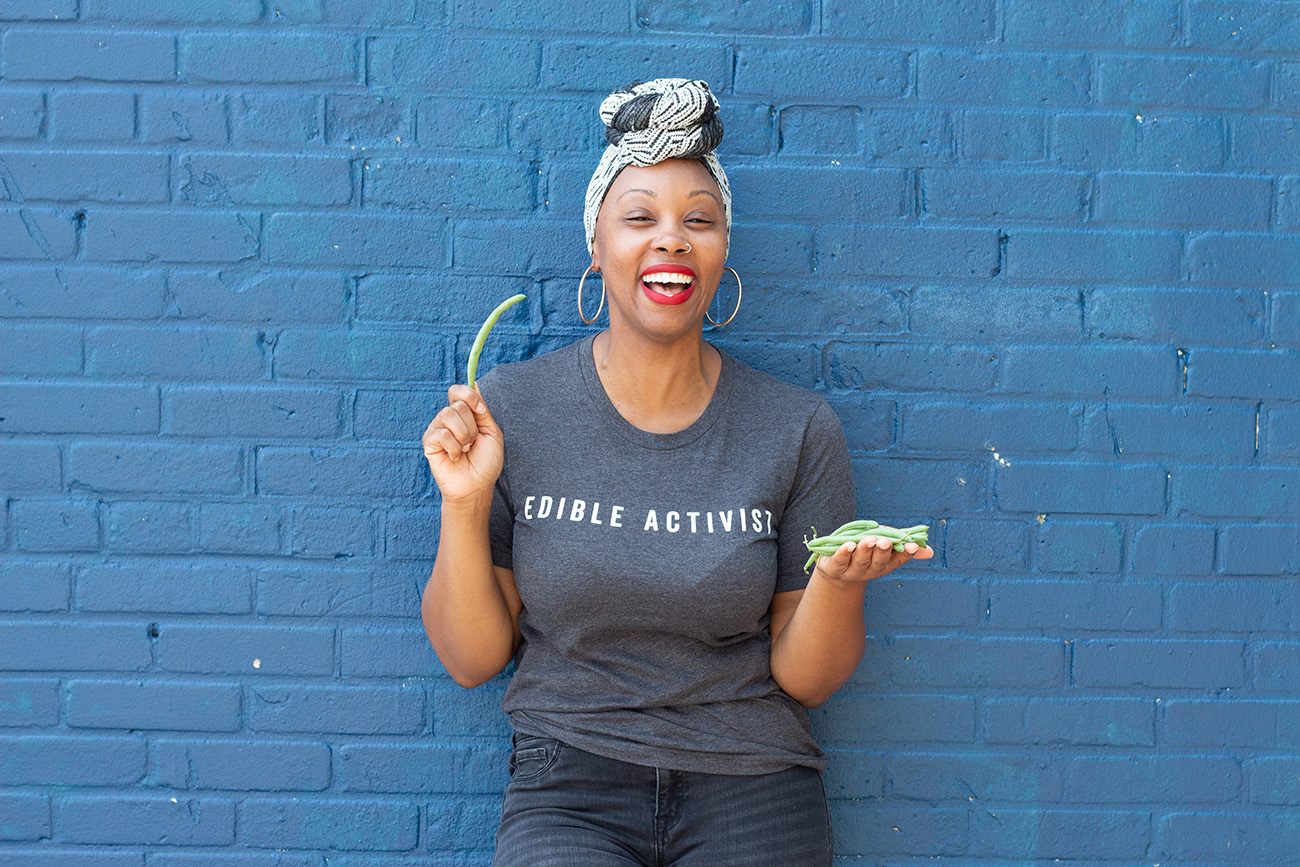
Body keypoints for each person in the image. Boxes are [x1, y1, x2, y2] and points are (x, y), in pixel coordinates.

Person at [420, 78, 931, 866]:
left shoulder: (796, 428)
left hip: (754, 784)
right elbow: (472, 657)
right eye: (639, 217)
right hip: (570, 784)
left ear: (724, 250)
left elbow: (809, 680)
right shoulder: (512, 410)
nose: (673, 238)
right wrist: (464, 500)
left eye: (700, 218)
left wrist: (839, 582)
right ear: (597, 243)